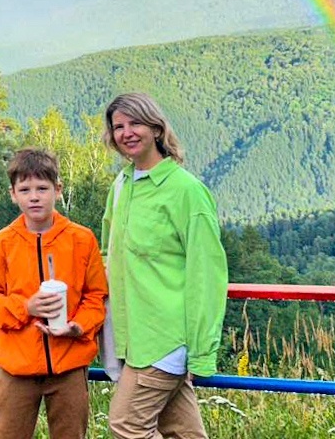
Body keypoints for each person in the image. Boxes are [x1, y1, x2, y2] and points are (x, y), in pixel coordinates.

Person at [100, 93, 228, 439]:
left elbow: (208, 274)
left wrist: (201, 351)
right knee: (182, 432)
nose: (126, 132)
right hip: (133, 335)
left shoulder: (186, 191)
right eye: (118, 127)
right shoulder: (122, 184)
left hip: (165, 340)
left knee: (127, 425)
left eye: (135, 123)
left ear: (156, 128)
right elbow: (108, 252)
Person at [0, 148, 108, 439]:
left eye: (42, 188)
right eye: (25, 189)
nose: (34, 196)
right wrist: (27, 307)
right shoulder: (3, 243)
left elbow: (95, 296)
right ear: (13, 194)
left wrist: (79, 327)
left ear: (57, 190)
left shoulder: (81, 239)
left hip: (70, 367)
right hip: (16, 367)